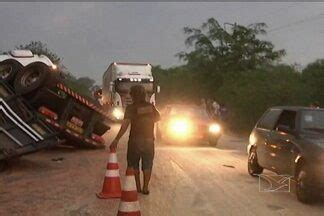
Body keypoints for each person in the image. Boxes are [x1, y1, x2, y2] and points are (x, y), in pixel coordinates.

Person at [110, 85, 160, 195]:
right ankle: (145, 187)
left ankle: (137, 187)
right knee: (148, 163)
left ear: (132, 95)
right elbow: (157, 118)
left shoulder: (130, 108)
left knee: (134, 163)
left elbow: (125, 125)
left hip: (134, 140)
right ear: (144, 95)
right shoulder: (151, 107)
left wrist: (116, 139)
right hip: (149, 140)